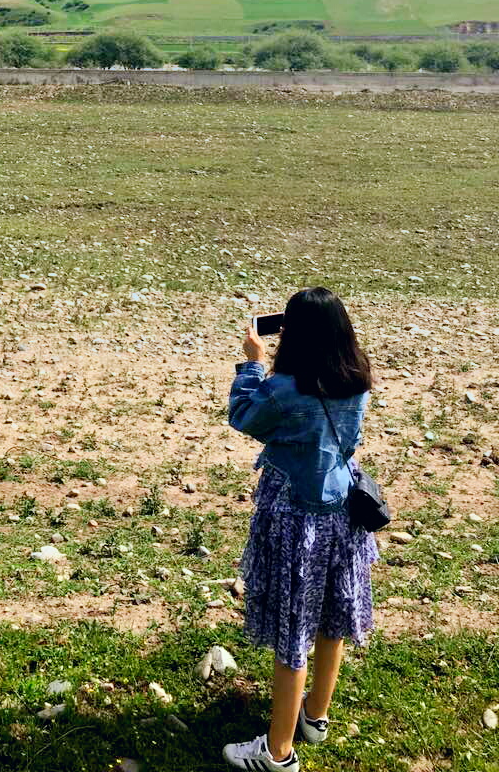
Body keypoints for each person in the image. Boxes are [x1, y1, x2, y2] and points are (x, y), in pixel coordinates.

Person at [221, 287, 378, 772]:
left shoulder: (285, 389)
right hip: (345, 515)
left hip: (297, 521)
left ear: (296, 335)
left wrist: (252, 363)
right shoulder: (357, 380)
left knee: (293, 635)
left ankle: (278, 752)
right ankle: (315, 716)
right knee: (333, 621)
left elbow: (244, 416)